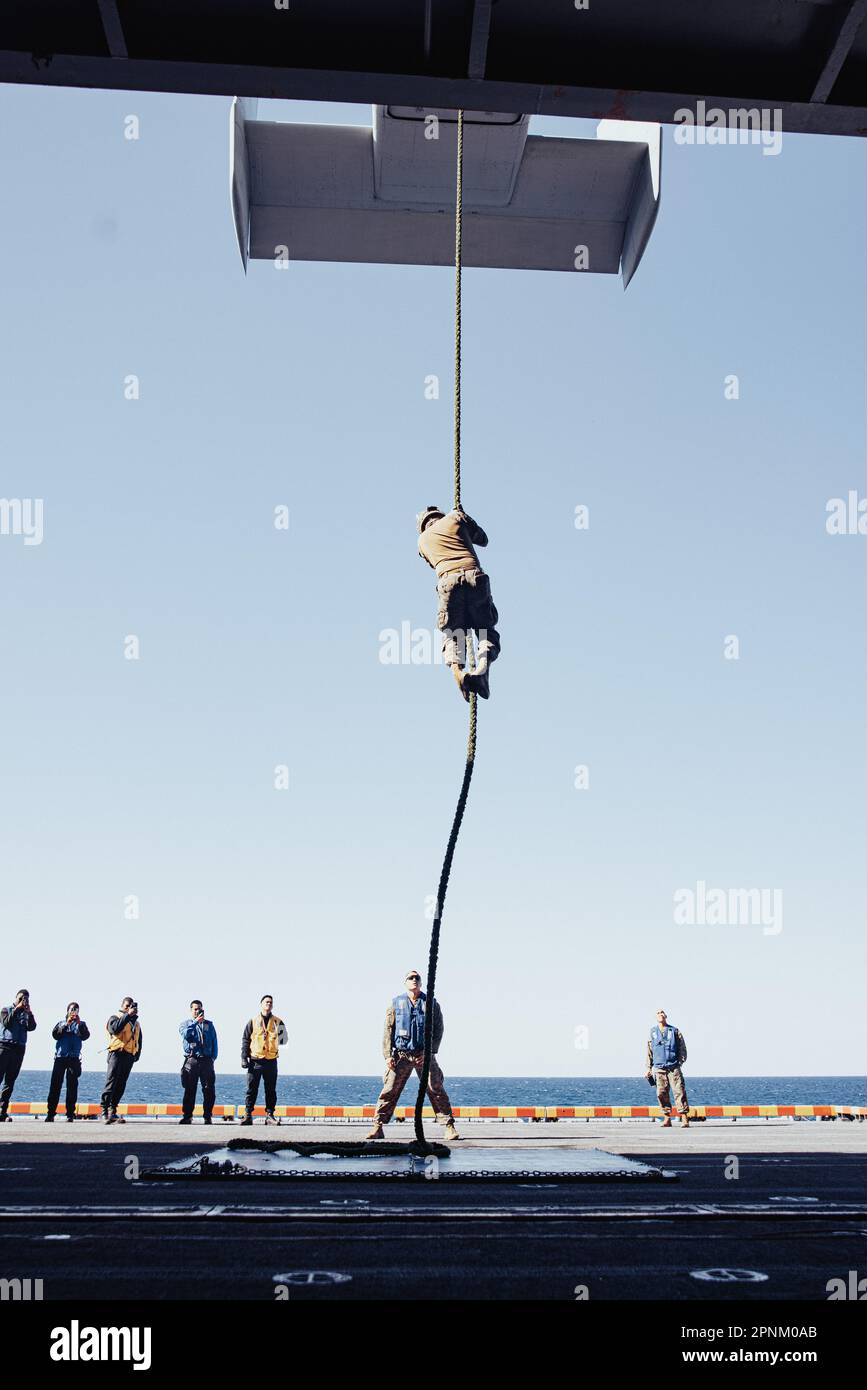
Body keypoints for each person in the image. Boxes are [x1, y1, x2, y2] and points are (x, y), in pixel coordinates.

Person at [417, 505, 500, 700]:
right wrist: (464, 518)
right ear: (440, 516)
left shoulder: (422, 541)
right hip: (473, 577)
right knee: (486, 630)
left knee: (454, 635)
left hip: (447, 583)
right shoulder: (455, 517)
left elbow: (432, 563)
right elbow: (483, 539)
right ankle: (481, 668)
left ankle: (458, 671)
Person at [365, 970, 460, 1141]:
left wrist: (430, 1051)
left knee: (436, 1088)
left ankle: (449, 1126)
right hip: (401, 1055)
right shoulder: (396, 1004)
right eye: (411, 978)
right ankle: (377, 1126)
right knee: (389, 1089)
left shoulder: (430, 1003)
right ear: (405, 982)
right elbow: (388, 1030)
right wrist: (387, 1055)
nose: (414, 980)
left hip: (424, 1055)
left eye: (417, 978)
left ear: (421, 983)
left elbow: (439, 1028)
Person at [240, 995, 287, 1125]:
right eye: (266, 1002)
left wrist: (274, 1042)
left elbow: (284, 1040)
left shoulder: (278, 1022)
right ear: (261, 1004)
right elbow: (245, 1040)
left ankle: (270, 1115)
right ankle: (248, 1115)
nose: (269, 1004)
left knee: (271, 1090)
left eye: (271, 1002)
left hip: (271, 1061)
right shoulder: (252, 1021)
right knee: (251, 1089)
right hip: (255, 1060)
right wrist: (244, 1058)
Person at [45, 1002, 90, 1122]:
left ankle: (70, 1113)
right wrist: (67, 1024)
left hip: (74, 1058)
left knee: (72, 1087)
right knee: (55, 1086)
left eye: (76, 1010)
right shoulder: (61, 1023)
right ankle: (51, 1113)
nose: (74, 1011)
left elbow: (85, 1036)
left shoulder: (81, 1024)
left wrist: (79, 1024)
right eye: (72, 1009)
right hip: (60, 1058)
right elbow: (55, 1035)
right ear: (67, 1011)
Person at [645, 1008, 689, 1128]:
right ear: (656, 1017)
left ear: (666, 1016)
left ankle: (684, 1117)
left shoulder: (675, 1031)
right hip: (659, 1068)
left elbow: (682, 1048)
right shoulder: (653, 1032)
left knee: (679, 1091)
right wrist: (648, 1068)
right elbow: (649, 1051)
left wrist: (680, 1062)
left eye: (662, 1012)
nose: (660, 1014)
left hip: (673, 1067)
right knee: (661, 1093)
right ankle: (667, 1118)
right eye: (658, 1013)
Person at [101, 997, 142, 1123]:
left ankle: (113, 1110)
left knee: (121, 1084)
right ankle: (104, 1111)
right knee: (111, 1082)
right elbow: (115, 1029)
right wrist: (127, 1016)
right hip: (116, 1053)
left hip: (128, 1055)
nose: (129, 1008)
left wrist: (136, 1055)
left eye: (132, 1006)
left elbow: (139, 1039)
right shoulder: (115, 1017)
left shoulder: (136, 1023)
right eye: (127, 1006)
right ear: (122, 1006)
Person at [178, 1000, 219, 1125]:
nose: (197, 1011)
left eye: (200, 1009)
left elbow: (214, 1041)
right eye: (195, 1009)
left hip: (206, 1060)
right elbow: (186, 1035)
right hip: (192, 1060)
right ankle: (187, 1116)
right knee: (190, 1089)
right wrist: (196, 1023)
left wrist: (213, 1058)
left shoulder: (209, 1025)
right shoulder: (186, 1024)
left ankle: (208, 1116)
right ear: (191, 1010)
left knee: (209, 1089)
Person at [0, 990, 37, 1121]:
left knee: (10, 1081)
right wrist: (17, 1009)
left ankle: (2, 1111)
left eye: (26, 999)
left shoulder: (26, 1014)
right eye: (21, 998)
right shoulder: (6, 1009)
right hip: (4, 1046)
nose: (23, 1001)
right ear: (16, 998)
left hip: (19, 1048)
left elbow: (32, 1027)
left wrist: (29, 1013)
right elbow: (6, 1023)